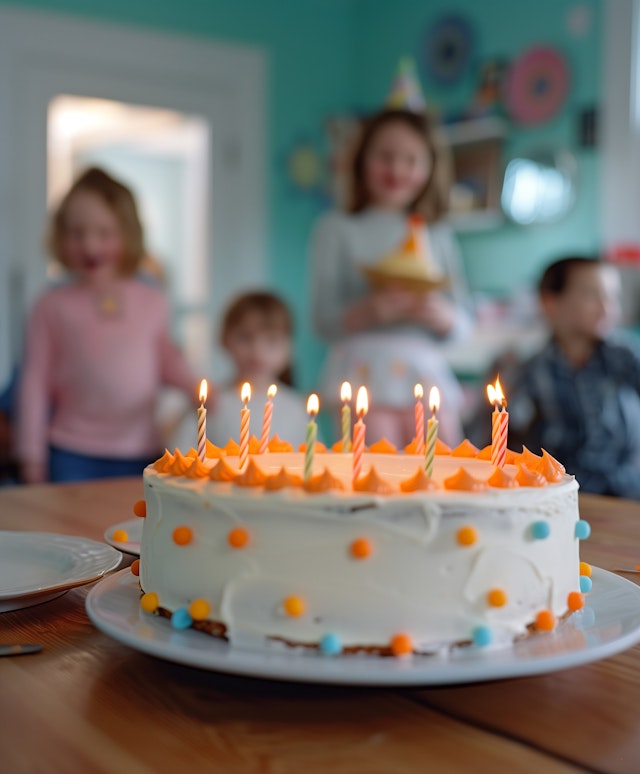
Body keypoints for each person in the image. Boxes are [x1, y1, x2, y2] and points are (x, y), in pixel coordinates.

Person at [15, 167, 201, 484]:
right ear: (60, 236)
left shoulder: (152, 298)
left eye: (104, 233)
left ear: (128, 235)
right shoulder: (50, 305)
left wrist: (197, 388)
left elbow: (166, 359)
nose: (90, 246)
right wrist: (30, 454)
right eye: (76, 233)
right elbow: (34, 382)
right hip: (71, 451)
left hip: (141, 449)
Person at [309, 107, 472, 448]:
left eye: (412, 159)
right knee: (373, 475)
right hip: (362, 372)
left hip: (426, 374)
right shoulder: (336, 228)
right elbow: (322, 321)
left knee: (443, 471)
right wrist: (370, 312)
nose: (397, 169)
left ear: (430, 168)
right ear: (361, 161)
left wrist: (444, 318)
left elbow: (463, 322)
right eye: (385, 156)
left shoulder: (437, 234)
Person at [507, 255, 640, 500]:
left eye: (612, 297)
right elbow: (508, 436)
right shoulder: (530, 370)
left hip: (628, 490)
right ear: (550, 303)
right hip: (560, 492)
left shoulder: (625, 358)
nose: (606, 308)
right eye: (592, 295)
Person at [168, 291, 310, 450]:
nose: (257, 351)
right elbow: (180, 453)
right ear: (224, 340)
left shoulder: (297, 408)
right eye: (245, 337)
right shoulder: (210, 402)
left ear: (289, 348)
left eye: (272, 340)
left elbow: (313, 460)